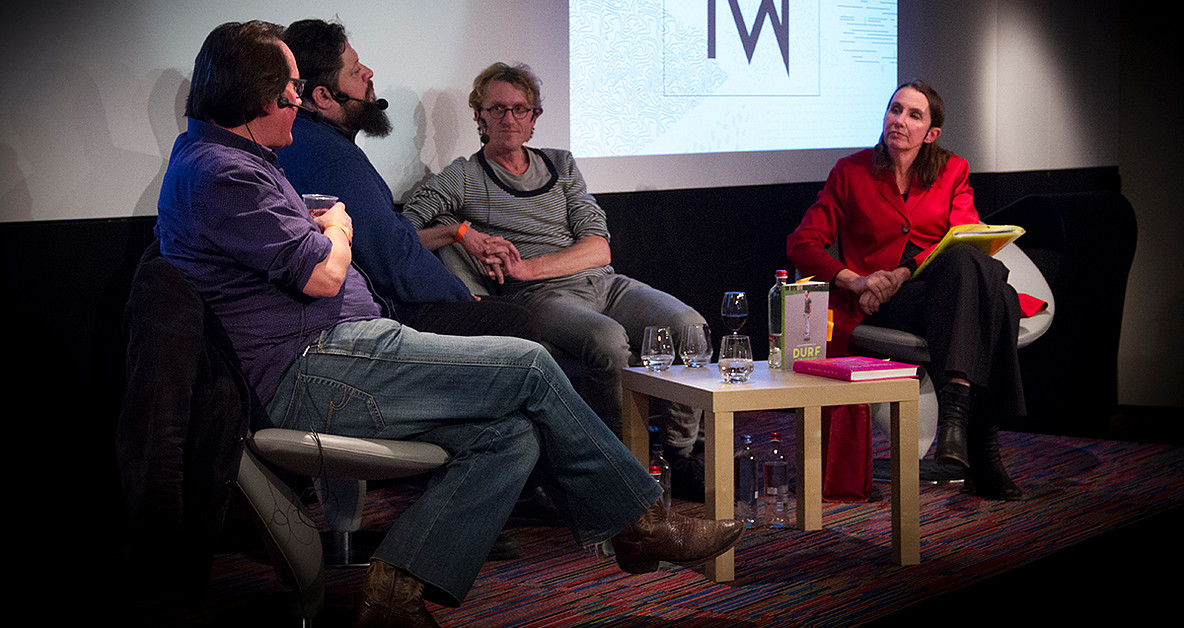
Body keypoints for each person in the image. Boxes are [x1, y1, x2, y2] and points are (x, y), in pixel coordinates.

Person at [156, 21, 742, 626]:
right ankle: (639, 523)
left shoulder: (238, 161)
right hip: (317, 366)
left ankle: (394, 593)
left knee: (511, 435)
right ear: (257, 98)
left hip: (341, 355)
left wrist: (322, 228)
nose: (298, 104)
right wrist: (334, 231)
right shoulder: (224, 171)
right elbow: (323, 275)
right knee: (531, 361)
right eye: (289, 93)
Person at [401, 62, 707, 501]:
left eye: (520, 109)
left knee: (689, 325)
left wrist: (527, 265)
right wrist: (458, 232)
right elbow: (402, 233)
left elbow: (599, 248)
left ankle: (679, 454)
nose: (509, 119)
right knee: (607, 340)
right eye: (498, 109)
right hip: (541, 299)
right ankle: (619, 467)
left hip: (603, 283)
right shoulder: (464, 176)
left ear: (534, 118)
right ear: (479, 118)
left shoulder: (561, 165)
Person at [785, 79, 1024, 501]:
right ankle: (980, 445)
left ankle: (960, 417)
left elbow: (967, 237)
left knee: (971, 266)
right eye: (895, 109)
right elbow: (802, 243)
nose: (899, 120)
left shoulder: (953, 171)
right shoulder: (852, 171)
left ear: (931, 133)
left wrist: (907, 268)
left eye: (914, 115)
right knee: (996, 296)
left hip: (942, 296)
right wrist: (854, 279)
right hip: (881, 304)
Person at [275, 19, 536, 343]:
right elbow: (391, 256)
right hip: (382, 317)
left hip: (350, 312)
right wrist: (460, 295)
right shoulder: (332, 157)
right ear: (325, 96)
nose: (368, 73)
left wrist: (455, 232)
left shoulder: (301, 140)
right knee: (516, 321)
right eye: (355, 71)